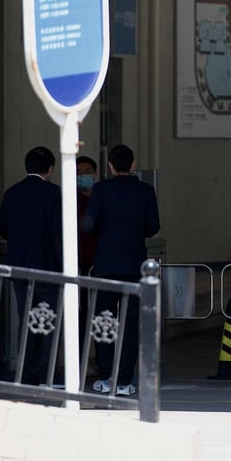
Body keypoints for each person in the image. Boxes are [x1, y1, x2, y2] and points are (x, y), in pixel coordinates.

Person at [85, 144, 160, 396]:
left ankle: (107, 376)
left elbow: (89, 225)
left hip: (105, 265)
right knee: (130, 323)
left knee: (104, 320)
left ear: (110, 166)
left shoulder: (100, 190)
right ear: (133, 164)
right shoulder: (146, 191)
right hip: (135, 265)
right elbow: (153, 226)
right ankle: (125, 381)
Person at [0, 146, 62, 385]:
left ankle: (26, 373)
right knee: (47, 321)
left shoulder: (12, 193)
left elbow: (3, 227)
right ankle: (47, 374)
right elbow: (59, 232)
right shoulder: (53, 193)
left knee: (26, 319)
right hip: (48, 268)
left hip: (19, 267)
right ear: (50, 168)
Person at [76, 155, 99, 276]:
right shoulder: (71, 201)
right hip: (79, 260)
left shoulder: (101, 198)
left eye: (87, 171)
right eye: (79, 172)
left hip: (99, 260)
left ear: (95, 174)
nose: (83, 175)